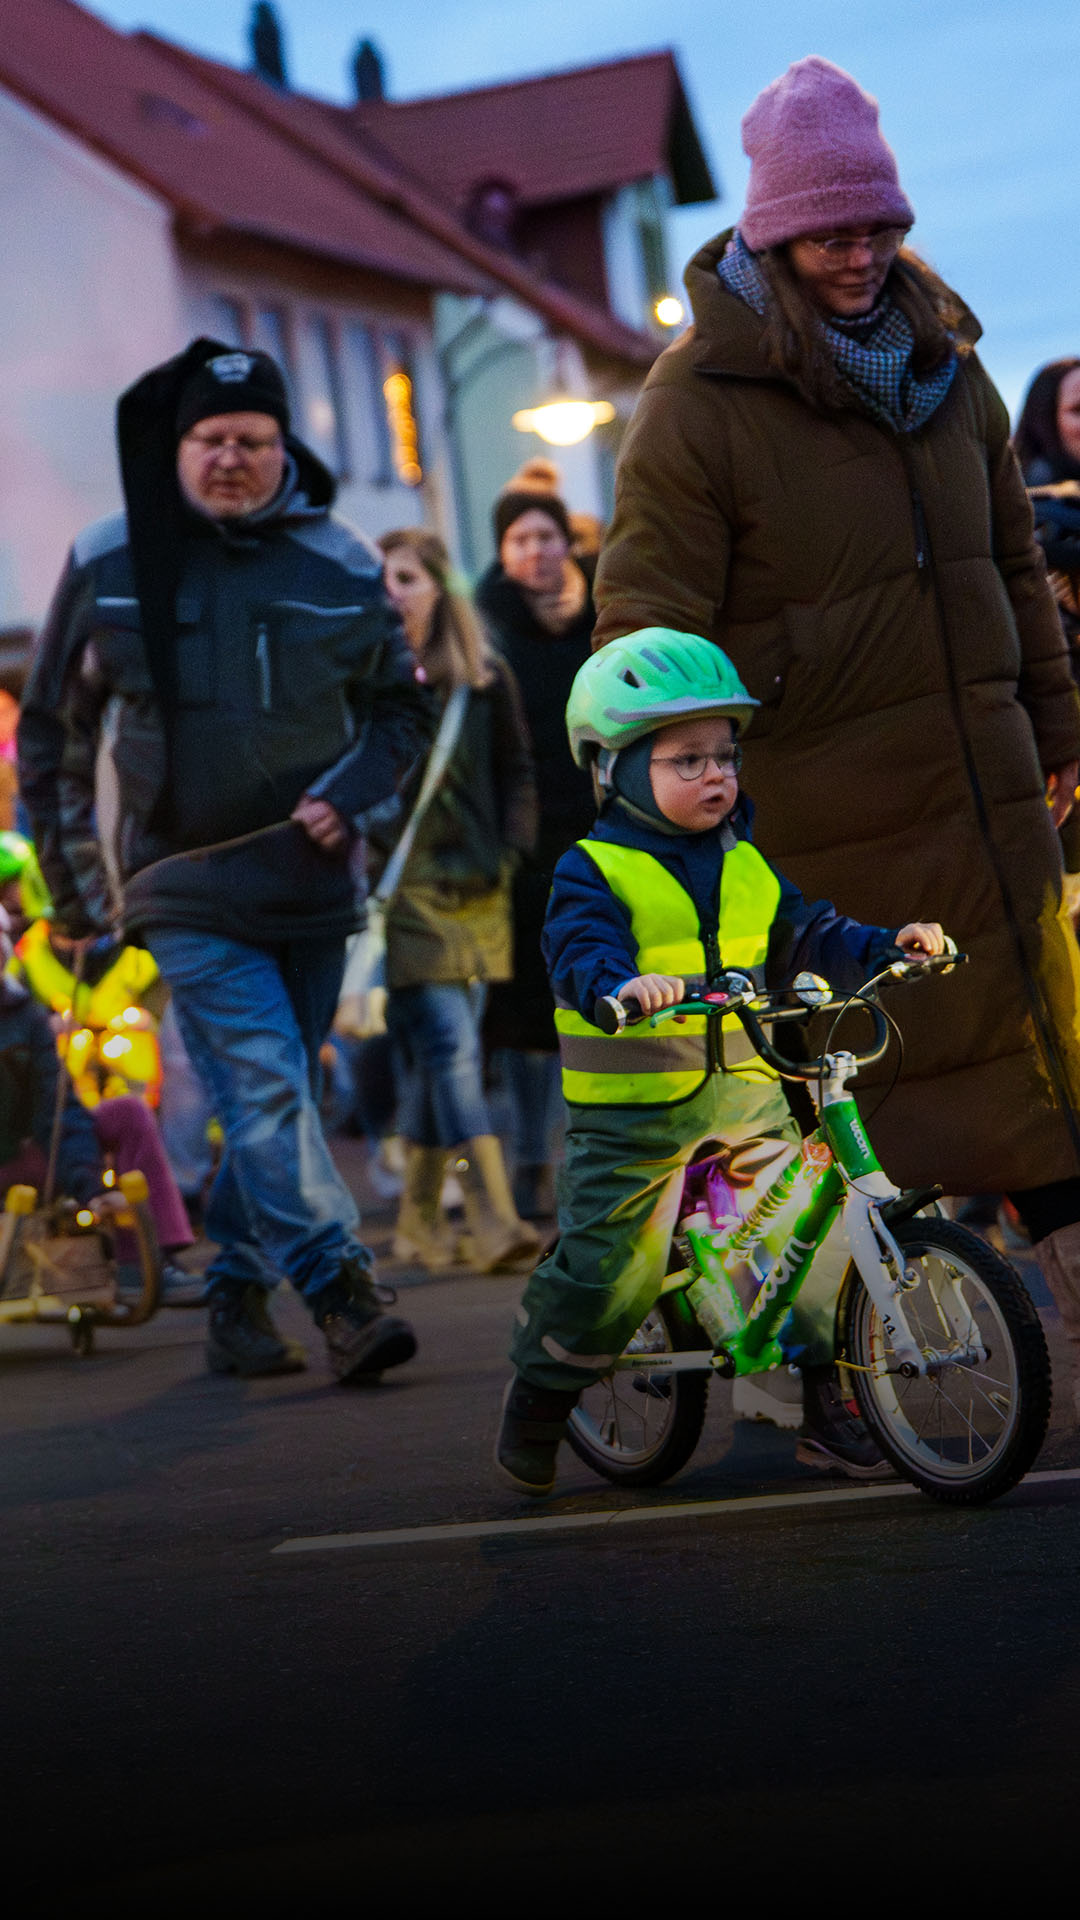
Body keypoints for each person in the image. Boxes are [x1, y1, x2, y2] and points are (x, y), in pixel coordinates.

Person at [589, 56, 1080, 1418]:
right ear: (770, 234)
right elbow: (641, 632)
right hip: (819, 812)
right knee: (857, 1109)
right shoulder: (699, 405)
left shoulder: (952, 373)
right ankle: (835, 1387)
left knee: (1041, 1064)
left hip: (987, 797)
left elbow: (1010, 556)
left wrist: (1052, 716)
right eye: (829, 232)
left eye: (879, 227)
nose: (859, 256)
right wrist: (677, 796)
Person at [18, 339, 430, 1381]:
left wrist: (348, 796)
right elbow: (56, 738)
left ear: (283, 444)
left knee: (273, 1093)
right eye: (210, 440)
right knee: (263, 1081)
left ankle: (238, 1296)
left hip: (312, 882)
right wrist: (72, 891)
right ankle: (339, 1287)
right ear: (178, 445)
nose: (230, 460)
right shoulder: (113, 557)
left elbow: (403, 711)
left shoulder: (339, 558)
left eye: (251, 441)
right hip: (181, 883)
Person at [495, 632, 945, 1494]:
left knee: (815, 1249)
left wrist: (889, 945)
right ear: (614, 770)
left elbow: (810, 933)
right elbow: (580, 953)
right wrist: (621, 984)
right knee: (606, 1278)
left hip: (746, 1103)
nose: (715, 776)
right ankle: (542, 1398)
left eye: (725, 757)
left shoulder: (746, 864)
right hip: (634, 1128)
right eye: (686, 759)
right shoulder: (591, 869)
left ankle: (833, 1406)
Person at [377, 528, 540, 1272]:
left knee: (433, 1061)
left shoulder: (482, 676)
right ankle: (494, 1218)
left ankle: (417, 1222)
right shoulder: (372, 676)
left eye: (406, 578)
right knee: (450, 1048)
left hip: (479, 887)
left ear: (440, 585)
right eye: (385, 580)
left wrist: (509, 850)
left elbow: (518, 770)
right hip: (405, 888)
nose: (392, 593)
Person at [476, 468, 597, 1219]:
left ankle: (577, 1155)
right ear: (502, 550)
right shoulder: (484, 625)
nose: (536, 552)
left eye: (547, 536)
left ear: (567, 542)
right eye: (520, 540)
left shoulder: (600, 614)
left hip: (595, 827)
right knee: (523, 1014)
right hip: (517, 839)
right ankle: (529, 1156)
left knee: (588, 995)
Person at [0, 905, 198, 1296]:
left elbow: (57, 1109)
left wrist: (90, 1187)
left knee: (128, 1112)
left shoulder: (22, 1014)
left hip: (33, 1155)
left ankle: (146, 1261)